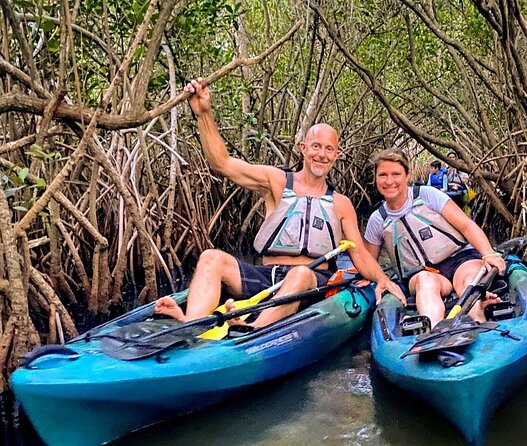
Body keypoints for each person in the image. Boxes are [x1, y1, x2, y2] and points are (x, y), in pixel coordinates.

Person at [154, 79, 405, 329]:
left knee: (301, 273)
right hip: (267, 275)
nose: (321, 154)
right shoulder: (275, 181)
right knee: (211, 257)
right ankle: (191, 323)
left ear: (336, 156)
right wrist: (204, 114)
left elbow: (359, 253)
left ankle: (254, 328)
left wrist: (382, 279)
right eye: (316, 146)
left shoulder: (341, 203)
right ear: (303, 148)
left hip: (309, 283)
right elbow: (222, 163)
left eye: (329, 149)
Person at [363, 149, 505, 328]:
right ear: (375, 178)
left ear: (407, 175)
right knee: (425, 280)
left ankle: (476, 318)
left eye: (396, 174)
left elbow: (466, 226)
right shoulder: (377, 219)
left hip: (459, 259)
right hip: (420, 272)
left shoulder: (428, 195)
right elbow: (368, 261)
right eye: (382, 175)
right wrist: (378, 279)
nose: (389, 181)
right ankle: (436, 329)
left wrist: (489, 254)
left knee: (468, 280)